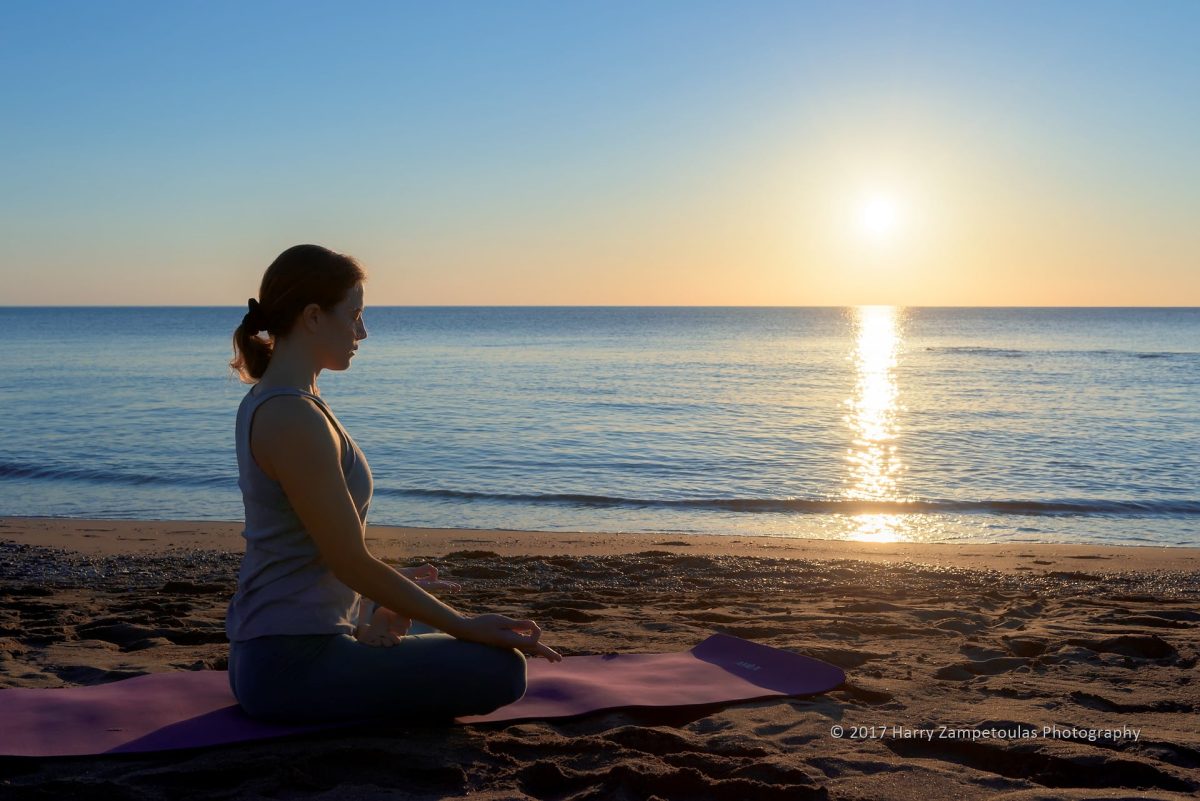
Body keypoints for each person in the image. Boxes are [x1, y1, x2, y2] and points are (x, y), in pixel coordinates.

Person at [224, 243, 560, 723]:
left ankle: (368, 631)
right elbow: (349, 561)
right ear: (314, 317)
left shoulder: (288, 401)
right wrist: (462, 624)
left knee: (453, 628)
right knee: (503, 669)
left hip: (293, 643)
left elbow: (314, 557)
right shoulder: (289, 415)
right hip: (289, 663)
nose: (363, 331)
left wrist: (374, 608)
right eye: (355, 314)